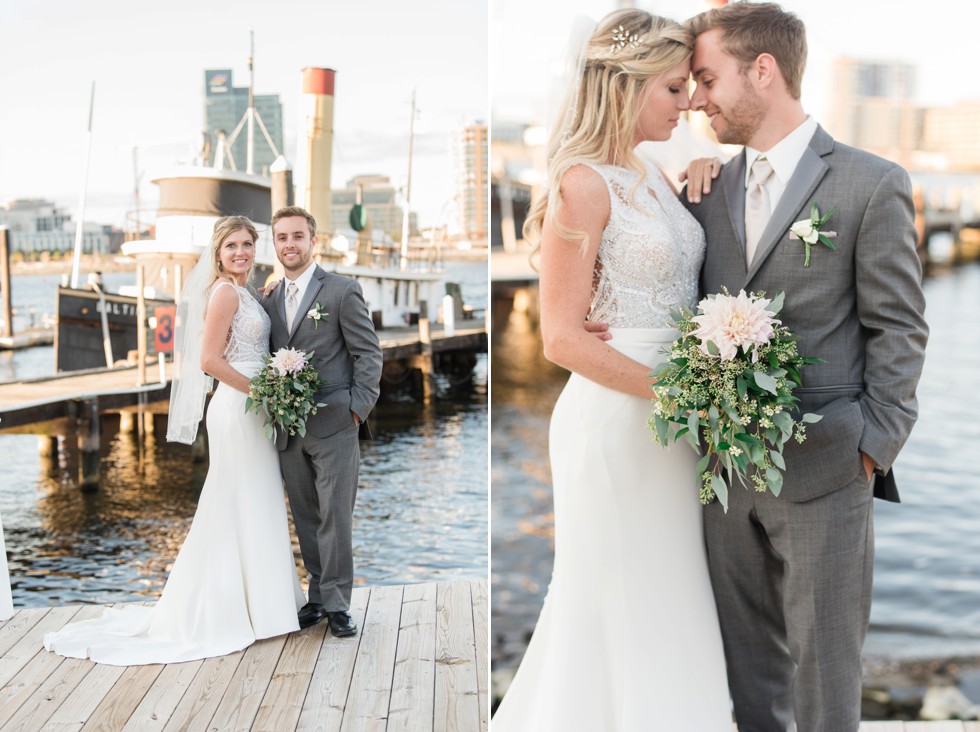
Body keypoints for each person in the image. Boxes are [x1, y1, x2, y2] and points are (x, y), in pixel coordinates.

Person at [681, 3, 928, 730]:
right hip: (724, 477)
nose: (696, 98)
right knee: (749, 679)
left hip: (828, 469)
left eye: (706, 78)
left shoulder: (870, 183)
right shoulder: (706, 188)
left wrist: (873, 447)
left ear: (764, 71)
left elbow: (900, 327)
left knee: (825, 679)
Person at [491, 9, 732, 729]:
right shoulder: (581, 184)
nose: (687, 102)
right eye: (671, 88)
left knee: (671, 593)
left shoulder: (654, 172)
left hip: (671, 421)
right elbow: (561, 340)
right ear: (623, 87)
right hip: (619, 423)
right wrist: (684, 397)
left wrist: (711, 168)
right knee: (616, 596)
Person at [44, 216, 305, 665]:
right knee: (237, 499)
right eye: (231, 247)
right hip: (236, 410)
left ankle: (265, 606)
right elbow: (208, 360)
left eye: (246, 245)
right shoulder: (223, 293)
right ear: (218, 253)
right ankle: (236, 610)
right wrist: (262, 389)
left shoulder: (248, 291)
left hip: (254, 412)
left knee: (254, 500)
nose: (240, 253)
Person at [262, 206, 382, 636]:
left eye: (297, 236)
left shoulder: (341, 291)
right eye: (281, 237)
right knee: (306, 516)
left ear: (313, 241)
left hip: (335, 423)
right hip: (287, 428)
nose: (290, 244)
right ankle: (316, 596)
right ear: (274, 244)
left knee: (336, 517)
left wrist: (358, 407)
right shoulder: (269, 298)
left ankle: (338, 604)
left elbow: (368, 353)